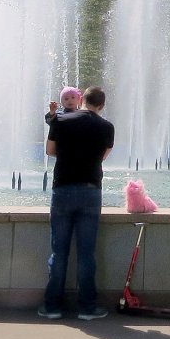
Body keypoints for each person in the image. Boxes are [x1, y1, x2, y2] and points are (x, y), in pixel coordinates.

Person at [39, 85, 114, 321]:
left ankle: (52, 307)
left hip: (62, 188)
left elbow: (50, 150)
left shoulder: (60, 122)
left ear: (81, 100)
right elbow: (102, 156)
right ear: (101, 105)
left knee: (58, 251)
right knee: (86, 252)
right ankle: (87, 308)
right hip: (91, 190)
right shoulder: (106, 126)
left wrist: (69, 153)